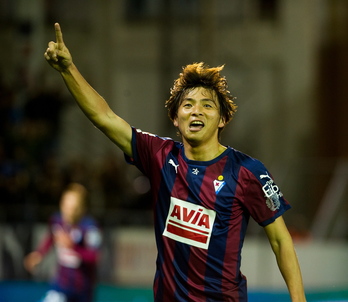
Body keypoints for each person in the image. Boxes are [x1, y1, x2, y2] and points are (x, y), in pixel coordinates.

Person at [43, 23, 306, 302]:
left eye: (208, 105)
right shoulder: (160, 156)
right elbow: (104, 117)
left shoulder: (247, 171)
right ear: (175, 118)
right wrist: (68, 70)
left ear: (223, 119)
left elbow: (280, 240)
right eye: (188, 104)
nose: (197, 110)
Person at [24, 183, 102, 302]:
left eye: (73, 208)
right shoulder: (57, 221)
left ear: (82, 208)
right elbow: (50, 238)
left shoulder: (90, 228)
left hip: (83, 289)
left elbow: (94, 256)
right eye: (65, 206)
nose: (68, 211)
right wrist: (38, 254)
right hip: (61, 284)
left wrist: (73, 247)